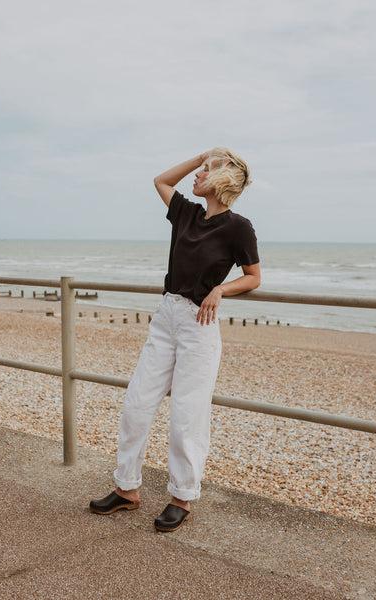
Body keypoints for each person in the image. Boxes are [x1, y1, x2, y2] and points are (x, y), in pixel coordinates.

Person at [90, 147, 261, 532]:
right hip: (166, 317)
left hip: (199, 323)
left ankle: (181, 497)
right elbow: (161, 180)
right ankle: (126, 489)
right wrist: (204, 154)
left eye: (206, 170)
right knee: (137, 403)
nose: (197, 175)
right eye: (200, 169)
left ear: (222, 180)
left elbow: (253, 276)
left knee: (187, 414)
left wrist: (222, 289)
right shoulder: (186, 213)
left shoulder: (239, 227)